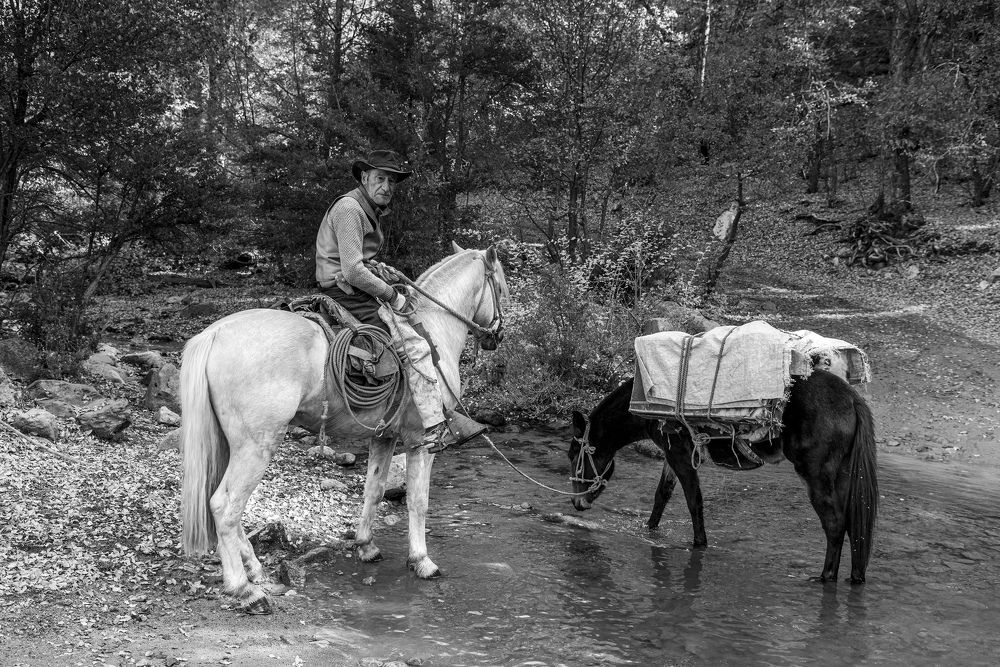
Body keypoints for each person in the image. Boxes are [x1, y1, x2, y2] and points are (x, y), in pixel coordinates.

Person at [315, 149, 485, 452]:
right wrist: (392, 295)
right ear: (365, 177)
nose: (387, 187)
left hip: (348, 287)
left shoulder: (362, 208)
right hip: (346, 291)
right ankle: (433, 424)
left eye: (392, 182)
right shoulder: (351, 209)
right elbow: (352, 270)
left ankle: (396, 412)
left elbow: (357, 261)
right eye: (381, 179)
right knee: (414, 343)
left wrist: (378, 268)